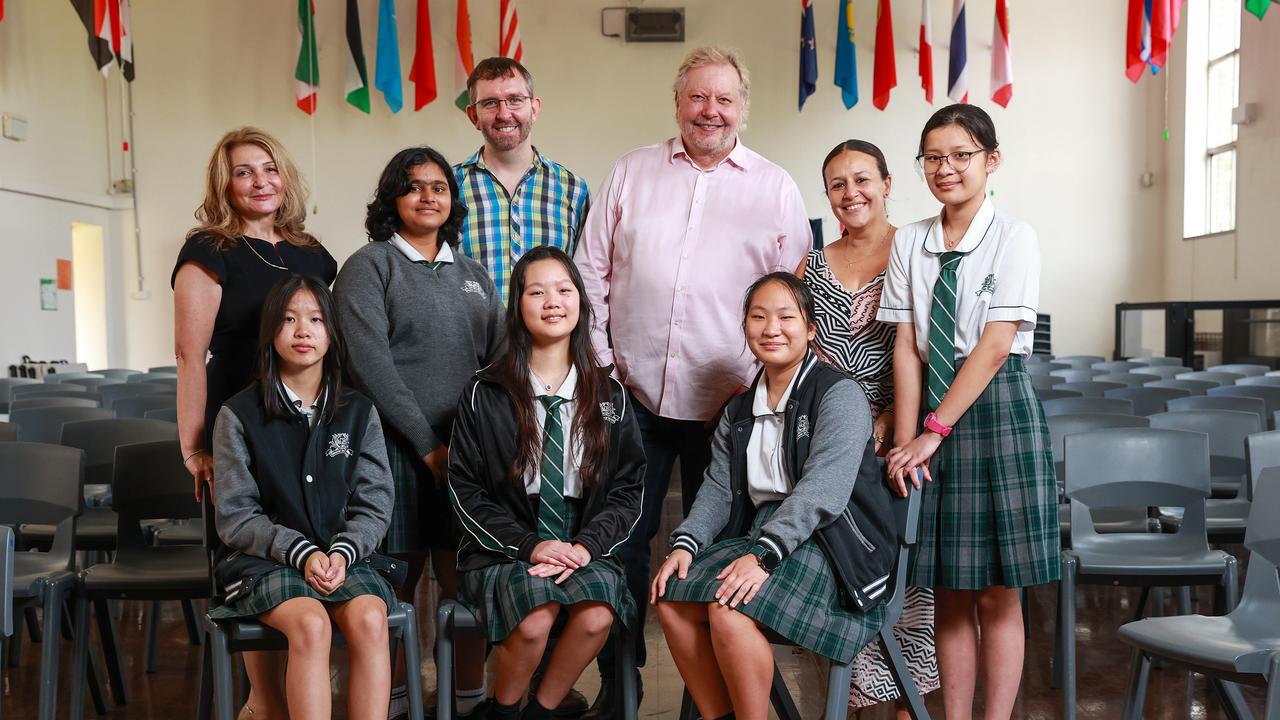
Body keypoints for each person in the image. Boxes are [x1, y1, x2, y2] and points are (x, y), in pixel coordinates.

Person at [574, 46, 812, 716]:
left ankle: (707, 699)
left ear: (742, 107)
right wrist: (603, 367)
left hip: (731, 405)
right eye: (698, 97)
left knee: (717, 547)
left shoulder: (774, 187)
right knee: (620, 542)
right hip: (632, 398)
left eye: (724, 99)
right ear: (678, 102)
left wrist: (762, 387)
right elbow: (591, 273)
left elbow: (791, 298)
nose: (711, 110)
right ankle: (619, 684)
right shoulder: (631, 173)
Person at [877, 104, 1057, 720]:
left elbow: (995, 343)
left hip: (996, 409)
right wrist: (907, 441)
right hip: (931, 410)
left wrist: (932, 430)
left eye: (961, 155)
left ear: (991, 160)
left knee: (999, 593)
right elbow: (905, 344)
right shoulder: (910, 240)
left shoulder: (1015, 236)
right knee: (948, 587)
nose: (946, 168)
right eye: (933, 157)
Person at [652, 273, 895, 720]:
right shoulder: (739, 409)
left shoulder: (839, 394)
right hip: (764, 537)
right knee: (672, 601)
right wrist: (686, 543)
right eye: (758, 317)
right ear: (745, 328)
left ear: (811, 328)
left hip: (832, 543)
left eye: (786, 316)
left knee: (727, 609)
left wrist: (763, 555)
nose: (771, 329)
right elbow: (719, 487)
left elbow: (824, 488)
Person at [172, 126, 337, 719]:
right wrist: (194, 449)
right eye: (243, 171)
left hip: (302, 431)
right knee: (256, 561)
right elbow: (191, 356)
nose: (259, 181)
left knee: (300, 564)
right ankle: (262, 703)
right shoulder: (208, 252)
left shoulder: (313, 254)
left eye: (268, 168)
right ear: (225, 184)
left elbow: (322, 339)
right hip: (237, 432)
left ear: (284, 176)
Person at [333, 146, 504, 719]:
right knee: (394, 587)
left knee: (469, 585)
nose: (428, 196)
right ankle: (397, 700)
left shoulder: (475, 276)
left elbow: (502, 362)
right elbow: (368, 363)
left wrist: (480, 444)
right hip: (390, 450)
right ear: (391, 200)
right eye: (413, 186)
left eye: (439, 186)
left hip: (468, 455)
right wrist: (427, 445)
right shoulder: (370, 265)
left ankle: (467, 698)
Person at [448, 246, 644, 720]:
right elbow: (464, 489)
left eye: (564, 289)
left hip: (583, 540)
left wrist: (587, 546)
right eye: (536, 291)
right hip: (506, 543)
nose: (552, 301)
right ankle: (503, 709)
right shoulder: (485, 391)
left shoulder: (609, 393)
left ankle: (540, 710)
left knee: (597, 614)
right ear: (517, 306)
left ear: (581, 301)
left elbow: (628, 487)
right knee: (535, 618)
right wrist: (528, 546)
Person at [210, 274, 396, 720]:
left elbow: (375, 502)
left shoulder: (359, 410)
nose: (302, 331)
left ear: (332, 333)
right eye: (288, 319)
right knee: (311, 624)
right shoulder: (237, 414)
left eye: (315, 319)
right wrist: (301, 551)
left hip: (344, 557)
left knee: (371, 619)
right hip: (266, 561)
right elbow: (236, 516)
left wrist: (344, 550)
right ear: (270, 332)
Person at [797, 141, 940, 716]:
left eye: (862, 179)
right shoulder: (810, 267)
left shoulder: (918, 252)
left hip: (901, 436)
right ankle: (851, 698)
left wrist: (891, 419)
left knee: (910, 581)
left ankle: (912, 701)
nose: (850, 193)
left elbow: (935, 352)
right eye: (837, 183)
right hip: (831, 445)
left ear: (886, 184)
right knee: (843, 568)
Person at [456, 57, 590, 304]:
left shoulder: (573, 189)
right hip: (473, 341)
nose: (504, 113)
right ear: (473, 115)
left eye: (515, 100)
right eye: (490, 103)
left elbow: (586, 279)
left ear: (535, 108)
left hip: (549, 342)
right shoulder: (449, 189)